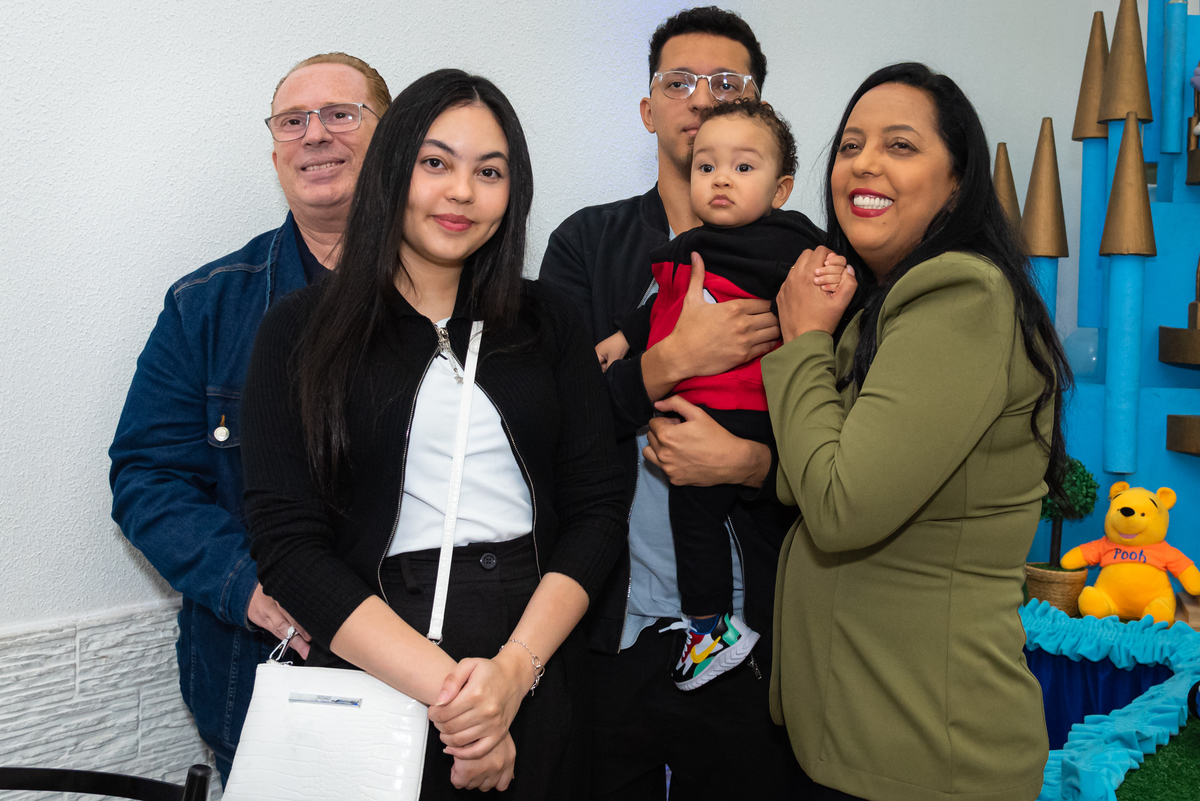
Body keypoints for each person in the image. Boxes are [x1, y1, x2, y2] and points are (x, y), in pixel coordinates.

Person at [240, 69, 626, 797]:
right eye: (436, 163)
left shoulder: (549, 322)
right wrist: (464, 706)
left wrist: (510, 677)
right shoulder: (299, 330)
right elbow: (288, 547)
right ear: (392, 170)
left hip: (534, 652)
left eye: (490, 172)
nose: (462, 192)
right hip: (377, 658)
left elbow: (598, 510)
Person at [765, 62, 1064, 800]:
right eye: (850, 145)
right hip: (863, 732)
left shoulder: (960, 292)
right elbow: (802, 477)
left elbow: (837, 505)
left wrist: (803, 338)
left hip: (926, 750)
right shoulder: (878, 306)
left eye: (899, 145)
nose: (864, 163)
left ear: (957, 183)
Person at [539, 7, 806, 797]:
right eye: (679, 81)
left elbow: (841, 441)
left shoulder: (801, 256)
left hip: (749, 623)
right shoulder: (587, 244)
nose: (702, 97)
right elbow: (549, 425)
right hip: (609, 621)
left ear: (758, 108)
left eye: (727, 82)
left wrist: (752, 463)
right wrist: (670, 362)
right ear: (648, 108)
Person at [108, 52, 390, 783]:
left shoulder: (458, 301)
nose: (315, 134)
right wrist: (254, 588)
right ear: (275, 155)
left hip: (434, 672)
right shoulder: (204, 307)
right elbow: (147, 479)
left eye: (341, 114)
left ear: (391, 139)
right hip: (260, 678)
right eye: (292, 121)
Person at [594, 100, 837, 691]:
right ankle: (709, 625)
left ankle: (711, 626)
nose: (721, 179)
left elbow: (829, 280)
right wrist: (624, 337)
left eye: (743, 167)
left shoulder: (787, 243)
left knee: (697, 514)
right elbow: (660, 306)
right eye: (706, 167)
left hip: (747, 411)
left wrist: (833, 276)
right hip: (698, 408)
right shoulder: (690, 246)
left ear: (781, 190)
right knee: (691, 512)